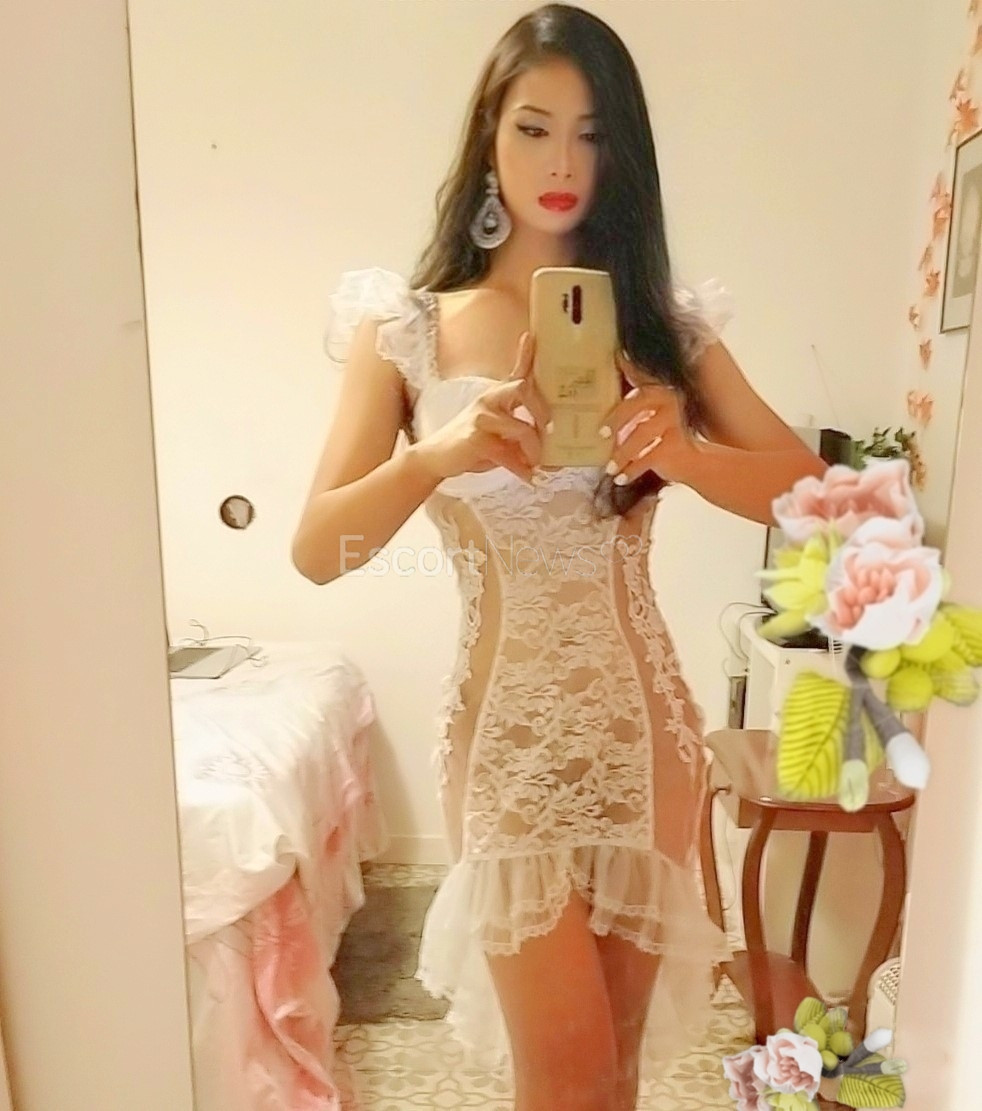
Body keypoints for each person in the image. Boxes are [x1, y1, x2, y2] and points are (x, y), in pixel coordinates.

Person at [292, 5, 827, 1109]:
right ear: (489, 136)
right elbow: (320, 548)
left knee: (616, 1075)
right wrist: (437, 454)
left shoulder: (666, 327)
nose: (561, 164)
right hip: (506, 747)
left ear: (623, 152)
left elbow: (810, 497)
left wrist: (682, 453)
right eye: (534, 128)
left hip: (645, 737)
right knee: (564, 1076)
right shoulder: (406, 330)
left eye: (592, 134)